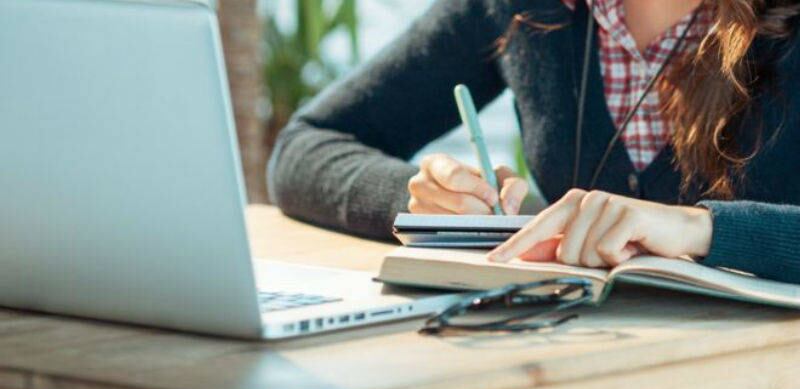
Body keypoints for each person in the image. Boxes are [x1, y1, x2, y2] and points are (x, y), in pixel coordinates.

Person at [268, 0, 800, 283]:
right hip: (581, 374)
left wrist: (699, 228)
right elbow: (310, 142)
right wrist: (429, 204)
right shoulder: (523, 5)